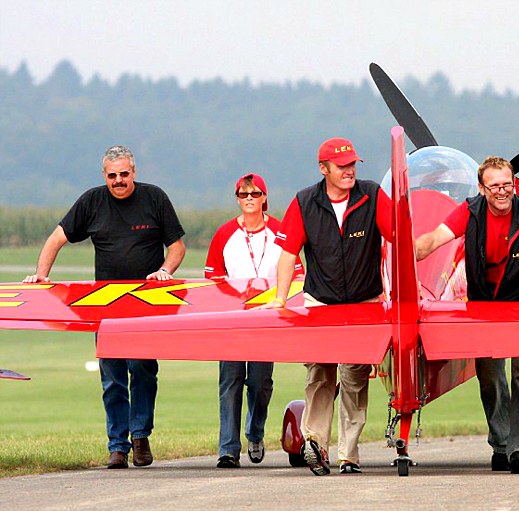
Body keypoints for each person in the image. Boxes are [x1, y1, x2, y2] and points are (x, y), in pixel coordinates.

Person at [415, 156, 519, 474]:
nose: (502, 191)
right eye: (494, 186)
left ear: (514, 184)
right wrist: (410, 251)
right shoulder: (469, 211)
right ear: (482, 188)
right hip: (484, 302)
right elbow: (434, 239)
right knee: (489, 374)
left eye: (507, 184)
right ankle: (501, 444)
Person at [23, 145, 186, 469]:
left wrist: (165, 270)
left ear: (134, 172)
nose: (118, 181)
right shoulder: (92, 201)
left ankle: (140, 436)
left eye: (124, 174)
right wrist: (41, 276)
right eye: (112, 176)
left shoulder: (154, 198)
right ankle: (117, 447)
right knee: (112, 377)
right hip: (105, 308)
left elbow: (178, 247)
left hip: (146, 306)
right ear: (104, 175)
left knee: (143, 370)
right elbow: (56, 239)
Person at [262, 137, 392, 475]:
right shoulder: (304, 201)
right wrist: (280, 298)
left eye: (352, 165)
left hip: (365, 302)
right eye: (342, 166)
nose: (349, 171)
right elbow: (288, 253)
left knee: (354, 377)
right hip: (320, 302)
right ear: (324, 169)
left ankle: (349, 455)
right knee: (319, 372)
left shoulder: (373, 194)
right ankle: (315, 444)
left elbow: (400, 237)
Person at [204, 173, 303, 468]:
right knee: (230, 381)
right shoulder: (224, 234)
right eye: (243, 194)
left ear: (264, 198)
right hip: (233, 320)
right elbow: (212, 279)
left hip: (267, 318)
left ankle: (255, 431)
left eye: (255, 194)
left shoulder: (280, 231)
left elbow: (297, 273)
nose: (249, 199)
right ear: (237, 199)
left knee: (260, 383)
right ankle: (228, 449)